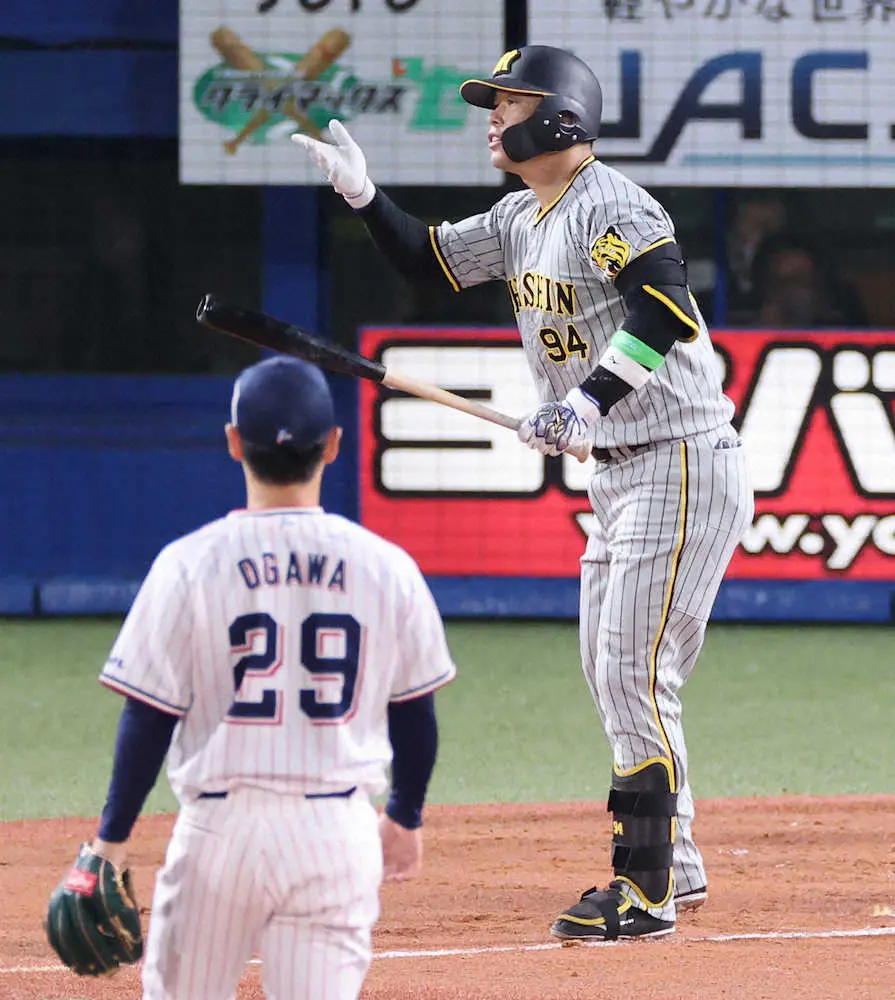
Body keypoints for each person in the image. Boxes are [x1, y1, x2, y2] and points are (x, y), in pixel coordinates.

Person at [294, 45, 753, 942]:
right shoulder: (519, 215)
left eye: (505, 102)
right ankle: (675, 859)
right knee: (609, 668)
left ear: (559, 113)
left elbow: (664, 307)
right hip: (620, 471)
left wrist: (587, 400)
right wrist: (363, 196)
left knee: (630, 671)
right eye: (491, 104)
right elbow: (429, 260)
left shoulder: (612, 204)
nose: (491, 117)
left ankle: (646, 889)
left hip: (677, 458)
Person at [46, 355, 457, 998]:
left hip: (218, 835)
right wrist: (404, 814)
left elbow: (150, 716)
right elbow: (414, 713)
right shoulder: (387, 568)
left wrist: (112, 839)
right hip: (334, 834)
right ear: (333, 446)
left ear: (234, 442)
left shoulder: (189, 563)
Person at [750, 231, 868, 329]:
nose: (791, 291)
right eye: (784, 282)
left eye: (802, 281)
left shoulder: (842, 332)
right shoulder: (743, 333)